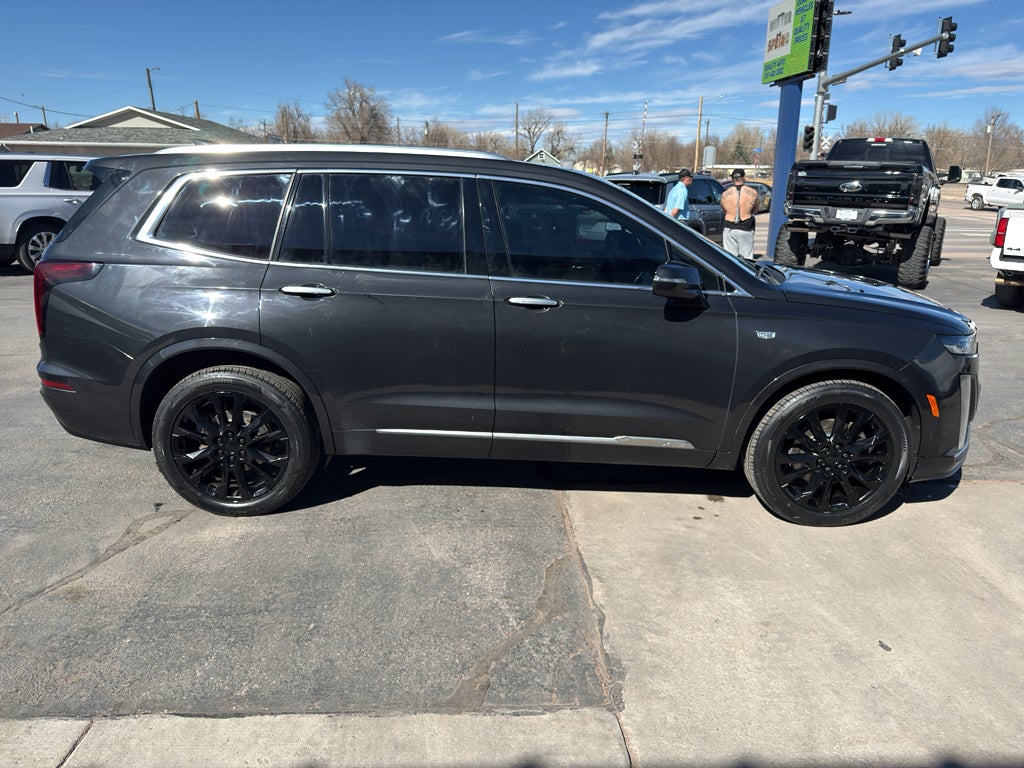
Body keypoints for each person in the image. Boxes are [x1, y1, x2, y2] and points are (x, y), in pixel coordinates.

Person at [720, 168, 759, 259]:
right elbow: (755, 210)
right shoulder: (753, 193)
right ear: (744, 177)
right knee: (747, 259)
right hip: (745, 226)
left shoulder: (725, 194)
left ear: (732, 179)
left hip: (729, 227)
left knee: (730, 258)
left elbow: (724, 209)